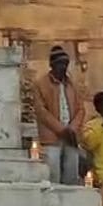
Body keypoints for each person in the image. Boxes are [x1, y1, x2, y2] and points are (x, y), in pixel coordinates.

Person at [32, 45, 87, 186]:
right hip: (52, 137)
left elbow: (81, 109)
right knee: (52, 175)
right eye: (59, 64)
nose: (62, 67)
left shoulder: (72, 85)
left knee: (71, 175)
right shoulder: (40, 84)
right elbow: (41, 111)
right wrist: (61, 130)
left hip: (71, 137)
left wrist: (72, 129)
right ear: (51, 64)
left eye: (65, 64)